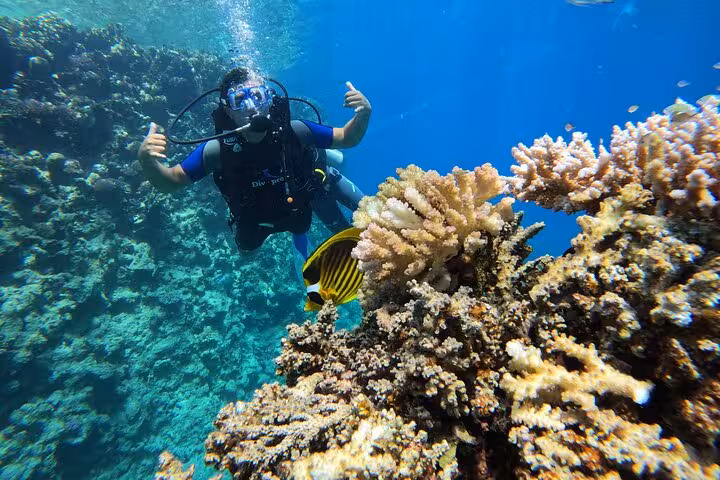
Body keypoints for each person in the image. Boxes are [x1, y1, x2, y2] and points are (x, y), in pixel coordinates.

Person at [137, 67, 371, 259]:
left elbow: (346, 137)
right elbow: (171, 181)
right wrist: (147, 162)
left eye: (257, 96)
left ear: (269, 100)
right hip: (255, 218)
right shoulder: (217, 151)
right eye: (239, 100)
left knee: (340, 228)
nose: (251, 107)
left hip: (306, 198)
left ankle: (301, 237)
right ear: (227, 111)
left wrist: (363, 113)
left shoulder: (297, 130)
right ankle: (299, 241)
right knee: (247, 254)